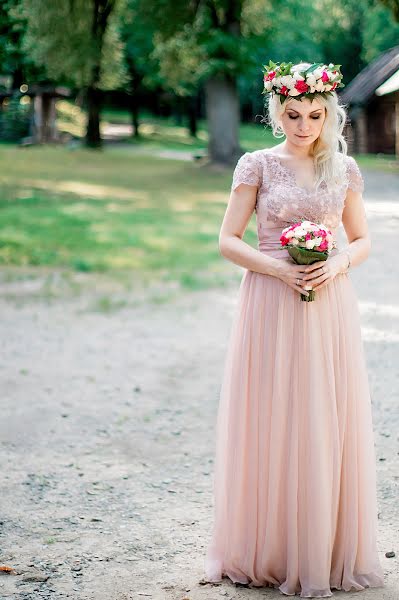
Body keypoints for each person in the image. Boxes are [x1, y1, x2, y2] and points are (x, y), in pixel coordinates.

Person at [203, 61, 385, 597]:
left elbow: (362, 239)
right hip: (269, 298)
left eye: (314, 114)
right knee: (274, 413)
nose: (303, 125)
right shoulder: (256, 164)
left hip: (328, 302)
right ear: (276, 113)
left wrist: (339, 263)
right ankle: (272, 546)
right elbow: (228, 240)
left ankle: (323, 549)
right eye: (292, 114)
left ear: (329, 114)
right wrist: (279, 268)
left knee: (323, 414)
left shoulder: (343, 170)